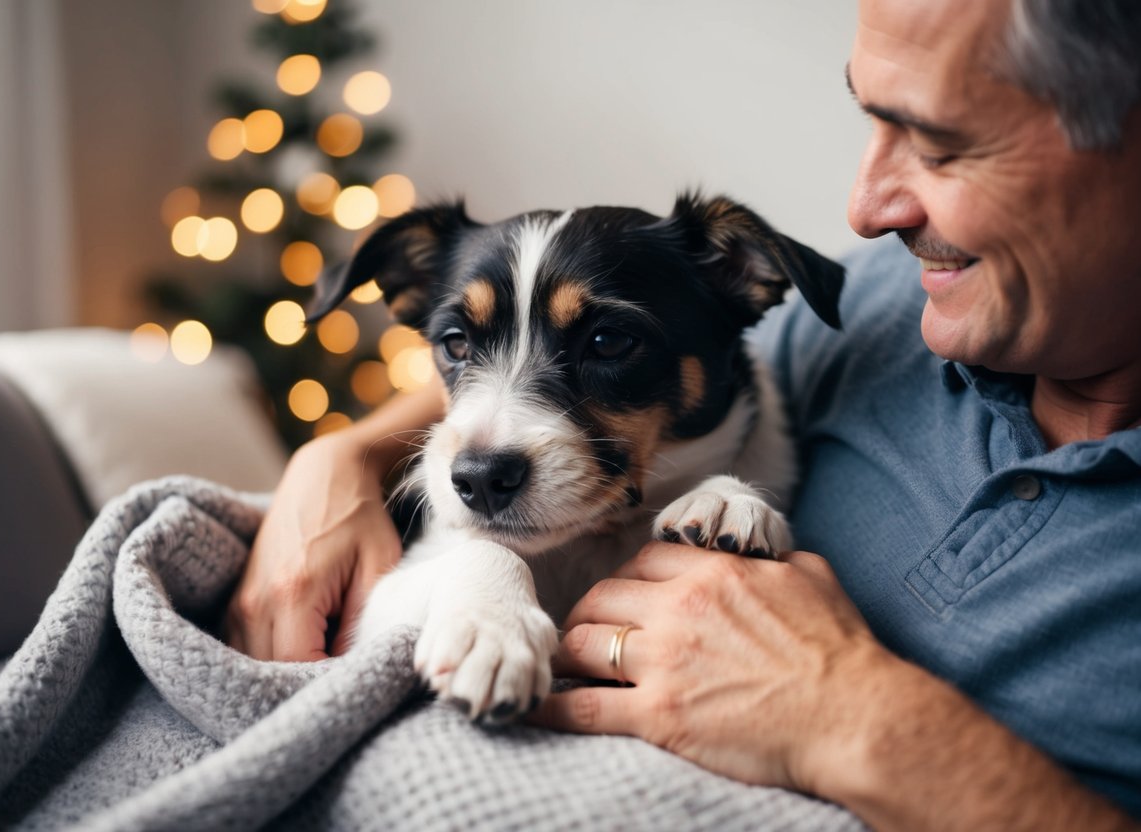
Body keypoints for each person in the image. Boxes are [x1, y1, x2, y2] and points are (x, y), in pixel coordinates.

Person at [225, 0, 1141, 827]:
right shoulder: (885, 306)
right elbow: (543, 358)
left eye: (940, 143)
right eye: (870, 119)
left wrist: (854, 715)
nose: (864, 210)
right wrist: (345, 456)